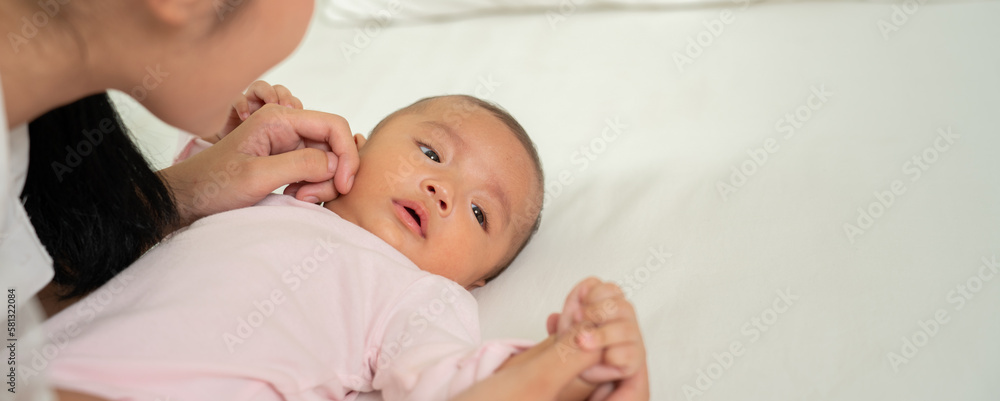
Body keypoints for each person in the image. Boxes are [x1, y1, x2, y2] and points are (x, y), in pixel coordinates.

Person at [36, 93, 649, 400]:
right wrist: (229, 140)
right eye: (431, 154)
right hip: (40, 359)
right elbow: (148, 224)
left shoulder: (422, 294)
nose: (442, 190)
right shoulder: (267, 196)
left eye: (479, 212)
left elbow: (443, 377)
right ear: (354, 145)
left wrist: (539, 368)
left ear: (475, 283)